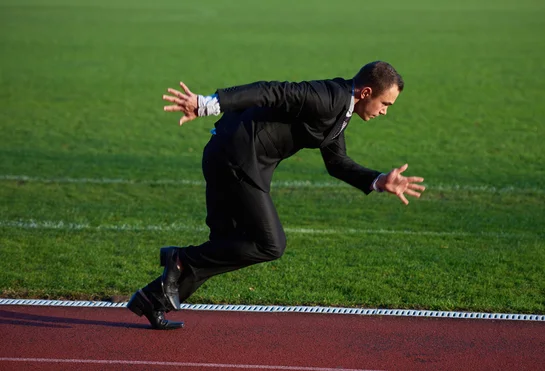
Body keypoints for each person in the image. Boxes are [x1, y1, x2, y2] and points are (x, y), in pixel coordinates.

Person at [127, 61, 426, 329]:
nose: (384, 111)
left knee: (226, 244)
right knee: (271, 244)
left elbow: (337, 163)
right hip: (237, 158)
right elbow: (272, 91)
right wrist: (207, 104)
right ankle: (178, 259)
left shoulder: (340, 112)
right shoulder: (328, 97)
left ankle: (153, 299)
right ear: (366, 93)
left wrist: (378, 180)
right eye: (385, 103)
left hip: (232, 156)